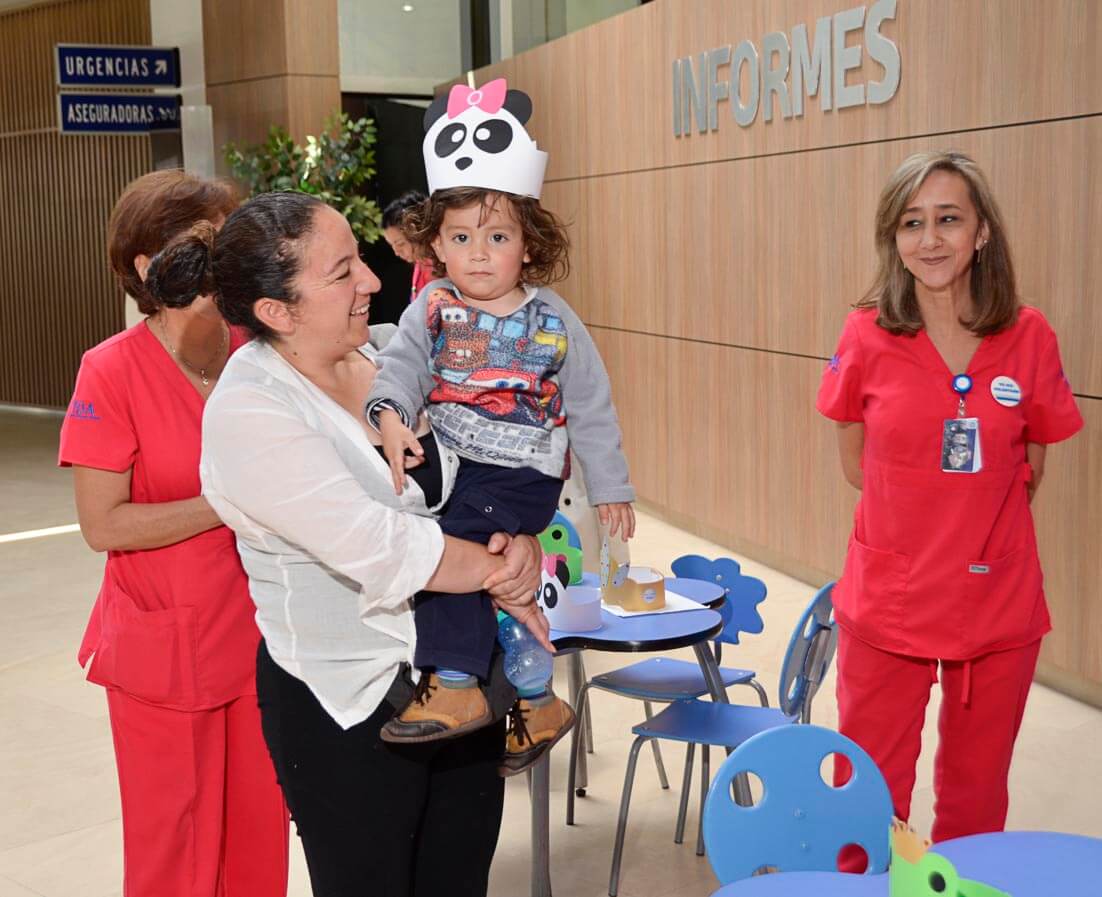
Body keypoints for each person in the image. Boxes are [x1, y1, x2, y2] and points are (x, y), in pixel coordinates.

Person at [150, 189, 547, 897]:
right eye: (342, 272)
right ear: (278, 311)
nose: (370, 279)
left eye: (360, 258)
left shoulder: (394, 351)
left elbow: (491, 455)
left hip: (459, 678)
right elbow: (381, 546)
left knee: (459, 880)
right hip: (348, 704)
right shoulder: (251, 411)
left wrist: (520, 539)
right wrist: (499, 572)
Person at [817, 151, 1083, 852]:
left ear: (981, 231)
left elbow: (1028, 467)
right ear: (893, 237)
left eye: (948, 219)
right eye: (912, 222)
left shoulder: (1029, 335)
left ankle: (960, 888)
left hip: (995, 599)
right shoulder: (865, 333)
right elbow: (857, 467)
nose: (929, 239)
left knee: (977, 793)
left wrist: (973, 529)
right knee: (866, 791)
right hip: (889, 596)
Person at [366, 79, 635, 770]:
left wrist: (611, 487)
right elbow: (399, 368)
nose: (480, 253)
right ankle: (537, 697)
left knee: (445, 554)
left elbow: (592, 403)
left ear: (528, 245)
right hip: (458, 468)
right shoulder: (432, 307)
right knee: (489, 573)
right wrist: (389, 415)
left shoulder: (552, 317)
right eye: (462, 238)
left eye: (498, 236)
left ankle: (455, 685)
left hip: (522, 472)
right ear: (438, 246)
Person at [57, 170, 288, 897]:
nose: (221, 258)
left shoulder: (258, 350)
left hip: (263, 639)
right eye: (202, 243)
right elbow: (103, 524)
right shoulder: (110, 371)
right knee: (175, 856)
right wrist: (225, 503)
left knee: (259, 842)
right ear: (145, 264)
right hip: (166, 652)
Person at [383, 190, 435, 302]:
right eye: (392, 245)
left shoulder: (440, 269)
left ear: (416, 231)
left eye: (400, 244)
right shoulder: (420, 263)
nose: (397, 252)